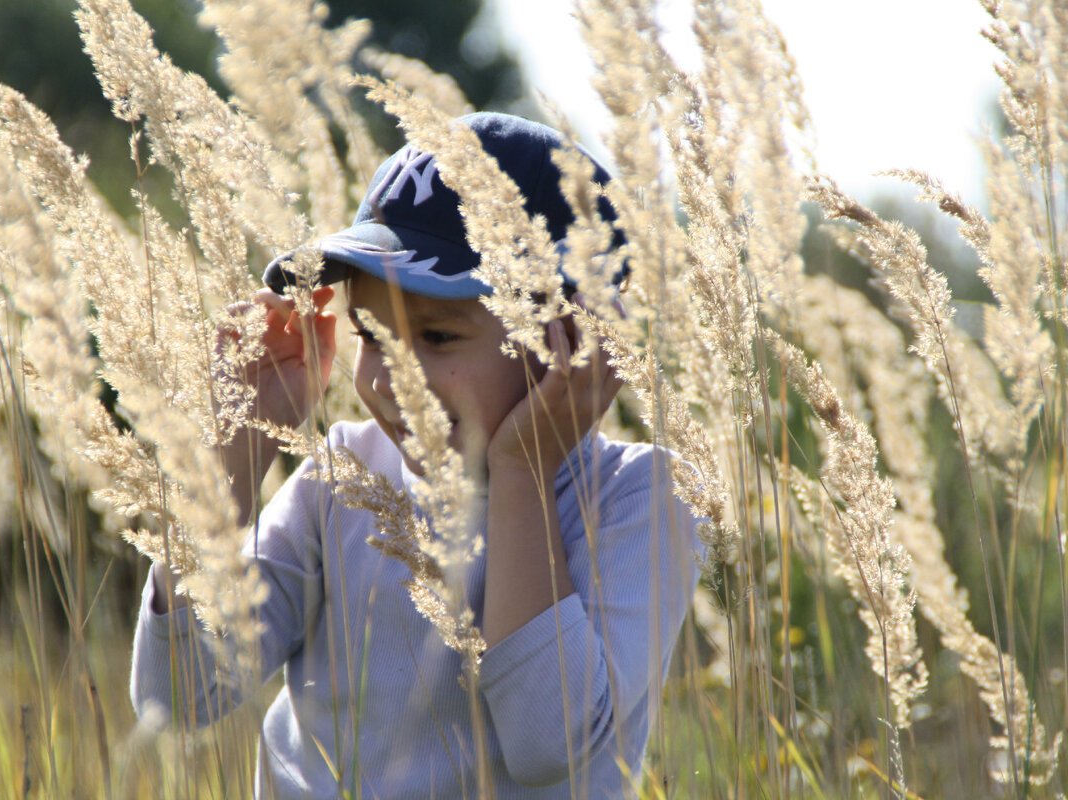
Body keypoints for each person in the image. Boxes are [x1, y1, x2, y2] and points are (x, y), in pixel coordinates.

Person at [131, 112, 701, 799]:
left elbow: (549, 746)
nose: (386, 377)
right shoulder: (342, 480)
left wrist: (521, 473)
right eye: (370, 335)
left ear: (570, 338)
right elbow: (179, 698)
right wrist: (238, 451)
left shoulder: (637, 497)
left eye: (435, 336)